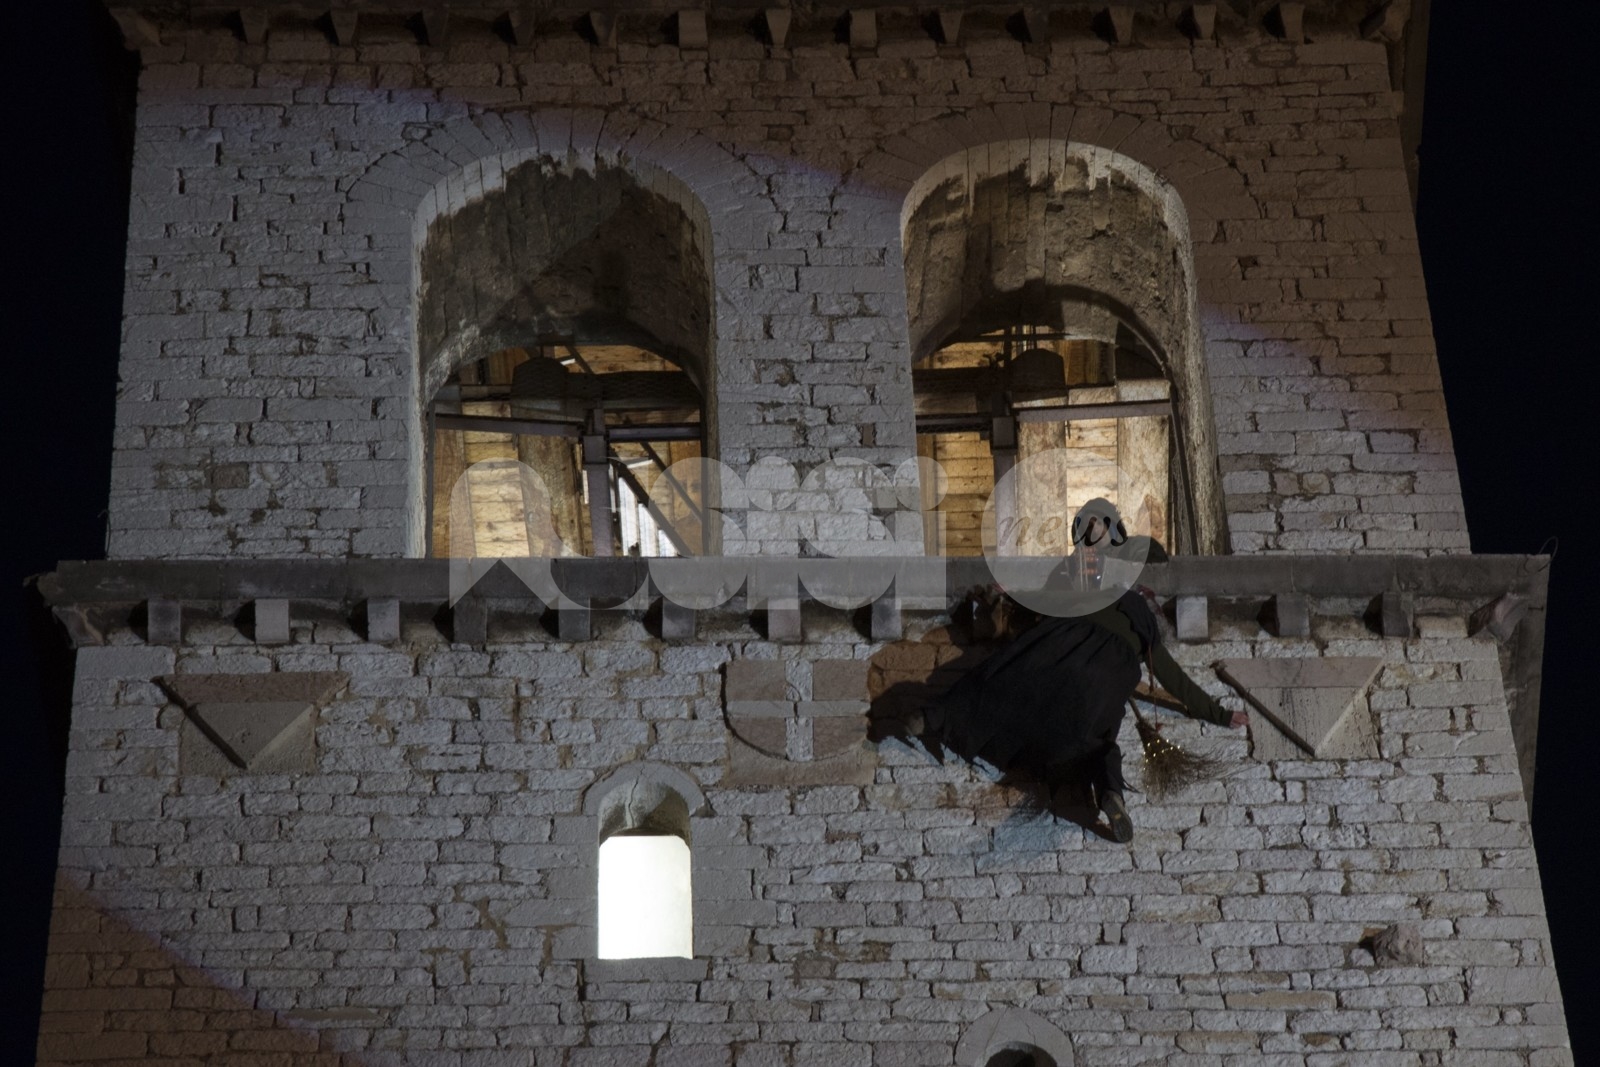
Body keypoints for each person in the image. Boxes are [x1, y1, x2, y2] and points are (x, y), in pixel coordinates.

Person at [923, 500, 1246, 843]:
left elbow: (1153, 556)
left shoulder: (1130, 586)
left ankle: (935, 715)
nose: (1089, 529)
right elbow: (1170, 674)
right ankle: (1111, 793)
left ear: (1112, 525)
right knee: (1099, 740)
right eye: (1084, 525)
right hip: (1106, 669)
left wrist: (1220, 714)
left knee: (1003, 673)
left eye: (1096, 522)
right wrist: (1221, 715)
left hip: (1070, 647)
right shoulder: (1086, 582)